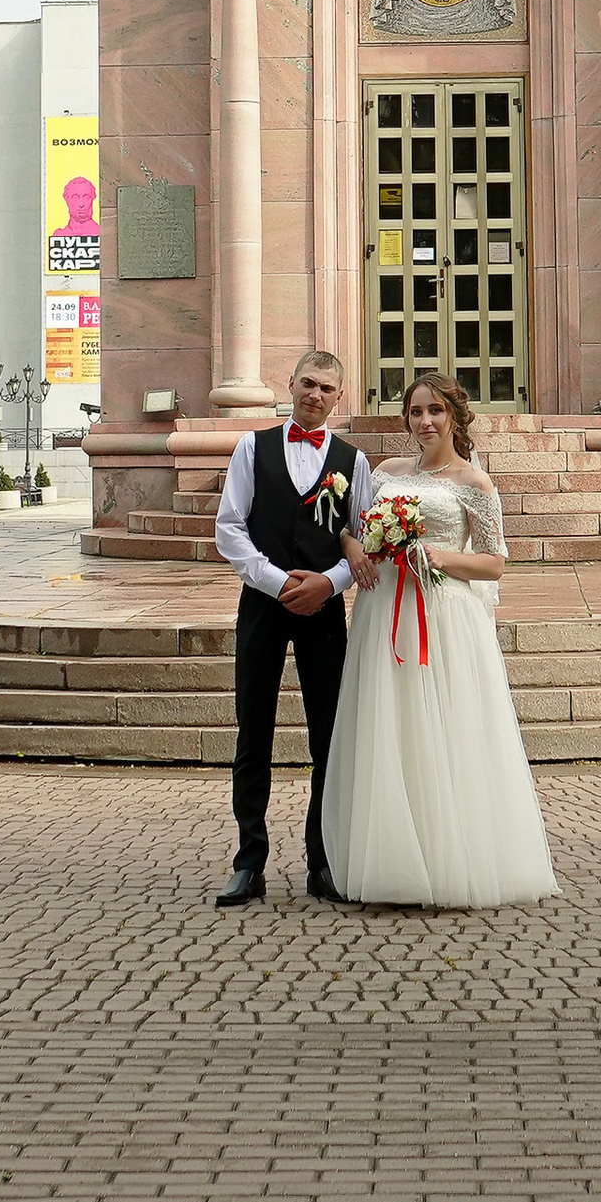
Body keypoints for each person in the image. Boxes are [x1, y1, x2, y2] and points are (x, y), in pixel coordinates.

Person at [321, 368, 558, 909]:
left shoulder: (473, 482)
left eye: (434, 411)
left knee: (444, 730)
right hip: (384, 610)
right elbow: (354, 528)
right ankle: (389, 859)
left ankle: (449, 858)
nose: (424, 421)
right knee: (390, 727)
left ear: (454, 415)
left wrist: (439, 557)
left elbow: (495, 563)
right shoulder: (384, 472)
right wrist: (353, 547)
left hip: (443, 616)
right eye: (415, 412)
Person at [212, 346, 374, 911]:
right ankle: (248, 862)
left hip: (324, 609)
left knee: (328, 736)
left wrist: (328, 583)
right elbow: (230, 528)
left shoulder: (354, 462)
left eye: (328, 388)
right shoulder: (251, 448)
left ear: (340, 396)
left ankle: (321, 859)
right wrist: (279, 582)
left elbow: (361, 539)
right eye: (308, 383)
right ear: (290, 383)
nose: (316, 395)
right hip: (263, 602)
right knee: (252, 731)